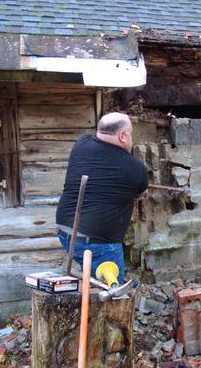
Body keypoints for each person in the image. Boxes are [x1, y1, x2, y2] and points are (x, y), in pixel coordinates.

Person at [56, 112, 148, 284]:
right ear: (122, 136)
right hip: (98, 245)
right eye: (130, 133)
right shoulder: (136, 168)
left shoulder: (81, 144)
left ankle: (89, 289)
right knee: (111, 294)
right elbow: (140, 191)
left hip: (65, 233)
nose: (131, 137)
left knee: (91, 281)